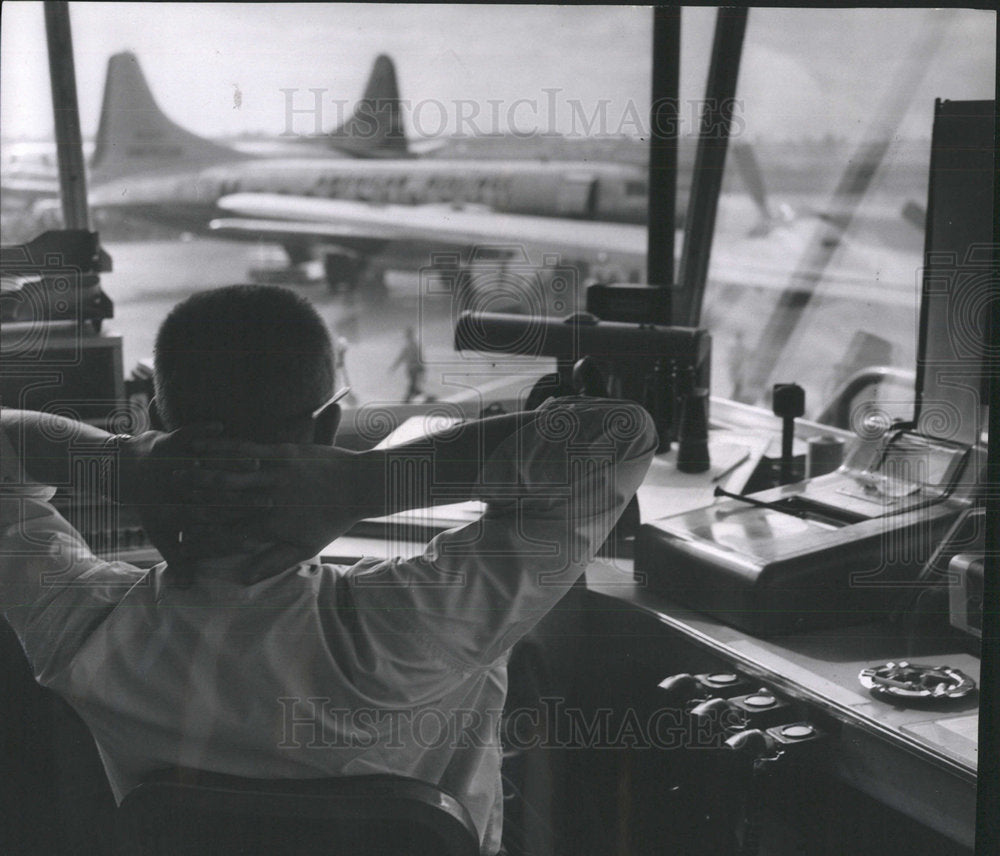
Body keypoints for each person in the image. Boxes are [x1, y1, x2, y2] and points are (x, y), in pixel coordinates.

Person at [0, 284, 656, 856]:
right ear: (330, 427)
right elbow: (619, 436)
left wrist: (121, 464)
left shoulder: (83, 627)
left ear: (155, 419)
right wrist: (368, 484)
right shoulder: (421, 621)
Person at [391, 324, 427, 403]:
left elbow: (401, 357)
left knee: (412, 385)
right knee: (413, 385)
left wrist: (394, 367)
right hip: (413, 369)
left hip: (413, 369)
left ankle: (407, 400)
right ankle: (415, 397)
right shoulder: (413, 345)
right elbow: (402, 357)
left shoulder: (410, 346)